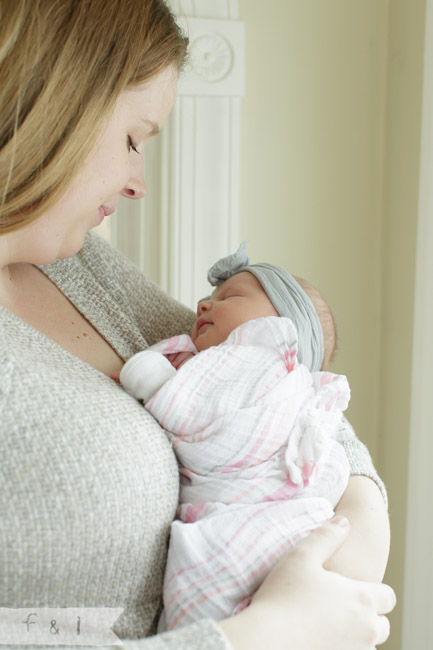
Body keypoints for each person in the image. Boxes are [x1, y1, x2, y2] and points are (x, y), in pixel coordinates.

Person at [0, 1, 395, 649]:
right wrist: (259, 635)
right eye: (131, 138)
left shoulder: (75, 266)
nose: (138, 184)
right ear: (47, 105)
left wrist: (357, 524)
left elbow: (271, 374)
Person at [118, 244, 352, 630]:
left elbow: (212, 428)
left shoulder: (260, 367)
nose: (201, 305)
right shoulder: (230, 367)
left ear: (280, 326)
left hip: (259, 518)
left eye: (229, 296)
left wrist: (155, 379)